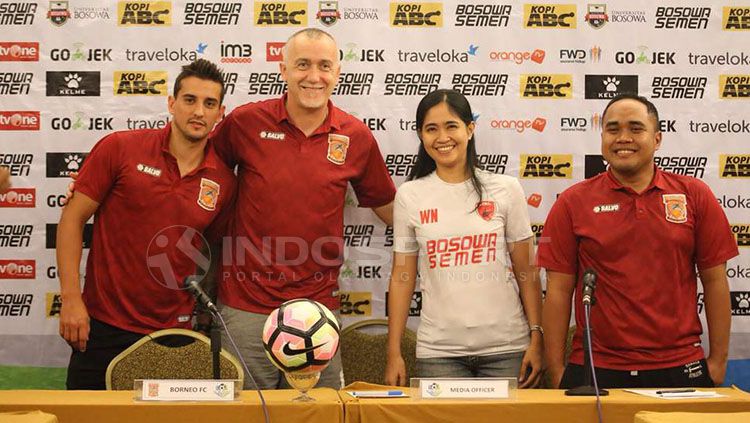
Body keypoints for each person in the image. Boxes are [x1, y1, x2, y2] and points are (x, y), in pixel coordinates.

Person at [209, 28, 396, 389]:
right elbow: (197, 170)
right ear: (283, 70)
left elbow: (387, 206)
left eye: (324, 66)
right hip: (246, 306)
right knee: (247, 415)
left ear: (337, 73)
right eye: (302, 65)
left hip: (317, 311)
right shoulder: (246, 123)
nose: (314, 76)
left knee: (318, 413)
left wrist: (449, 222)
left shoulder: (355, 136)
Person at [57, 59, 236, 389]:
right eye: (189, 100)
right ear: (171, 103)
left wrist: (201, 319)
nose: (199, 111)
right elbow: (72, 218)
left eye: (209, 103)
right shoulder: (121, 149)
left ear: (220, 113)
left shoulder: (223, 181)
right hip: (103, 325)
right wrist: (70, 299)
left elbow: (211, 252)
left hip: (174, 333)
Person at [538, 94, 738, 389]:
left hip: (680, 365)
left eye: (635, 128)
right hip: (595, 366)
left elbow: (716, 281)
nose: (623, 138)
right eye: (612, 129)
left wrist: (718, 360)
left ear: (657, 139)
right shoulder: (572, 202)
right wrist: (555, 369)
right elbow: (557, 291)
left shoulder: (694, 195)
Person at [384, 89, 543, 387]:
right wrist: (393, 352)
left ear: (470, 129)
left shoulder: (506, 189)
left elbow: (527, 271)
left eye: (451, 126)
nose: (442, 137)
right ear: (421, 136)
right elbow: (402, 276)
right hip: (438, 354)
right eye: (431, 129)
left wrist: (537, 337)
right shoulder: (410, 195)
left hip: (508, 349)